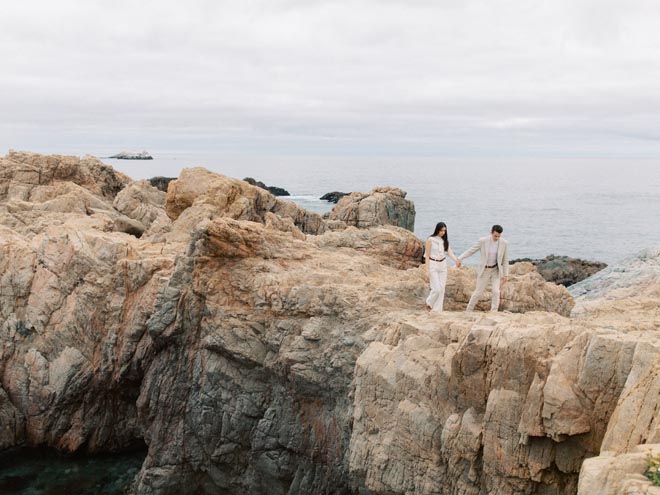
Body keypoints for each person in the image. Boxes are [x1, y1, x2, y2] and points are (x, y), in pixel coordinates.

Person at [458, 224, 509, 312]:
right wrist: (460, 258)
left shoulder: (504, 243)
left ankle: (494, 311)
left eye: (499, 236)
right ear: (491, 233)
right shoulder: (483, 241)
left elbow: (505, 260)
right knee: (478, 292)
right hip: (484, 270)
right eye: (495, 236)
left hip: (495, 270)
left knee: (496, 292)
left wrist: (506, 274)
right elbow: (471, 250)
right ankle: (468, 310)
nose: (497, 238)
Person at [425, 222, 461, 312]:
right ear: (437, 230)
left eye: (444, 231)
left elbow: (450, 253)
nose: (443, 232)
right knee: (436, 288)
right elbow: (427, 255)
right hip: (433, 264)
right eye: (441, 230)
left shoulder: (445, 241)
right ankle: (429, 302)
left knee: (442, 289)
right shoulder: (430, 240)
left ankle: (436, 310)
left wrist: (456, 260)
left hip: (443, 265)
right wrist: (427, 269)